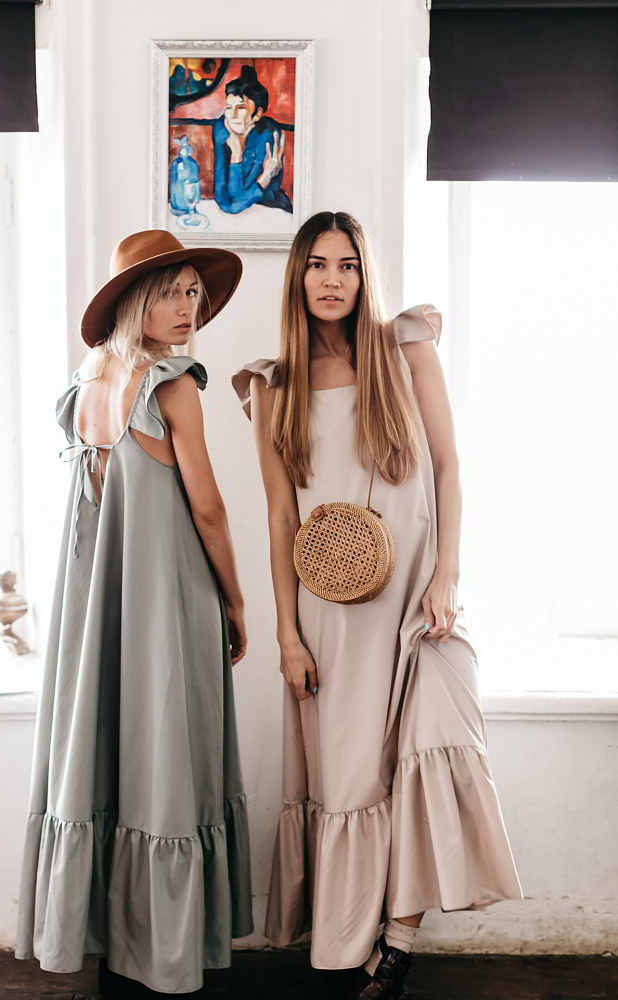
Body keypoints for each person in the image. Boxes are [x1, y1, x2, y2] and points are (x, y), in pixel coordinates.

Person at [232, 212, 522, 999]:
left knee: (431, 752)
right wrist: (287, 635)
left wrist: (448, 574)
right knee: (355, 780)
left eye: (349, 265)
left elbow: (450, 465)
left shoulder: (406, 350)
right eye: (318, 264)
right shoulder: (272, 387)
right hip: (331, 617)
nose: (333, 280)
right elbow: (280, 518)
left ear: (365, 276)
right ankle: (355, 946)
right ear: (298, 277)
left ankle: (397, 945)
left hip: (420, 603)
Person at [16, 230, 254, 995]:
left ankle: (107, 949)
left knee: (102, 753)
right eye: (170, 293)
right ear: (133, 302)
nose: (187, 308)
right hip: (166, 601)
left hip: (96, 611)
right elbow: (208, 509)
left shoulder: (86, 381)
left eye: (193, 293)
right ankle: (163, 952)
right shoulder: (171, 385)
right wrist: (237, 598)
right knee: (166, 758)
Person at [213, 65, 293, 215]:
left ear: (257, 114)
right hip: (241, 212)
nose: (232, 116)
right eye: (229, 108)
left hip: (269, 207)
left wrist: (266, 178)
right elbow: (227, 202)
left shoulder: (268, 133)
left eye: (241, 108)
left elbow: (237, 201)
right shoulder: (221, 130)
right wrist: (237, 155)